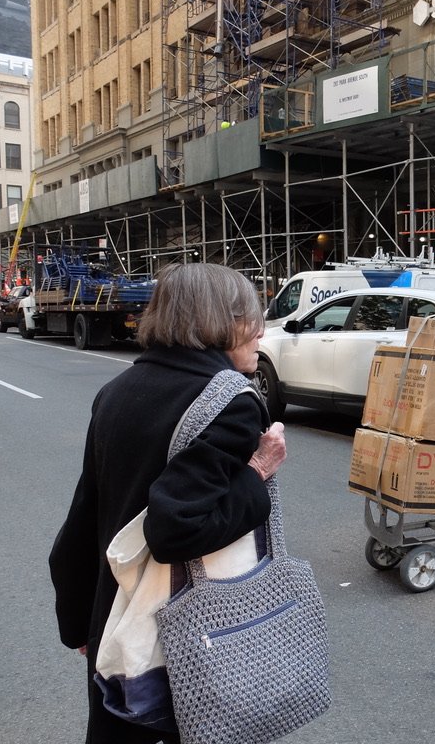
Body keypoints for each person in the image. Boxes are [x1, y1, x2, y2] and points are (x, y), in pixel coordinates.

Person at [49, 262, 287, 744]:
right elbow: (177, 529)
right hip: (185, 638)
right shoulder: (229, 402)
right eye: (248, 316)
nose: (260, 330)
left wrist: (80, 623)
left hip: (115, 624)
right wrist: (258, 472)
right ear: (216, 321)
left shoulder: (115, 391)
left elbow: (84, 516)